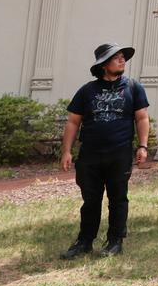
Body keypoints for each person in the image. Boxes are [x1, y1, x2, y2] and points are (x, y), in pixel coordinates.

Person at [59, 42, 150, 258]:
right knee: (90, 200)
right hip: (90, 155)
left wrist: (143, 146)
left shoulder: (133, 87)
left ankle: (115, 241)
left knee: (118, 198)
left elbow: (142, 117)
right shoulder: (87, 91)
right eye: (115, 57)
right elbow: (73, 122)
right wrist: (66, 151)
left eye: (122, 57)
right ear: (103, 64)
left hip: (119, 154)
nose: (122, 60)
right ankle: (84, 241)